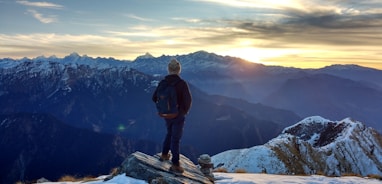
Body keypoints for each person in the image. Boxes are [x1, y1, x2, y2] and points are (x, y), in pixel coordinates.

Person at [152, 58, 192, 173]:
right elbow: (188, 100)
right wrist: (183, 112)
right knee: (176, 139)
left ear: (168, 70)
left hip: (166, 114)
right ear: (179, 70)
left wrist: (164, 107)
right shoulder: (182, 84)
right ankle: (175, 164)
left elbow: (154, 98)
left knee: (169, 133)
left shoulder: (163, 82)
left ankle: (164, 154)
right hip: (178, 115)